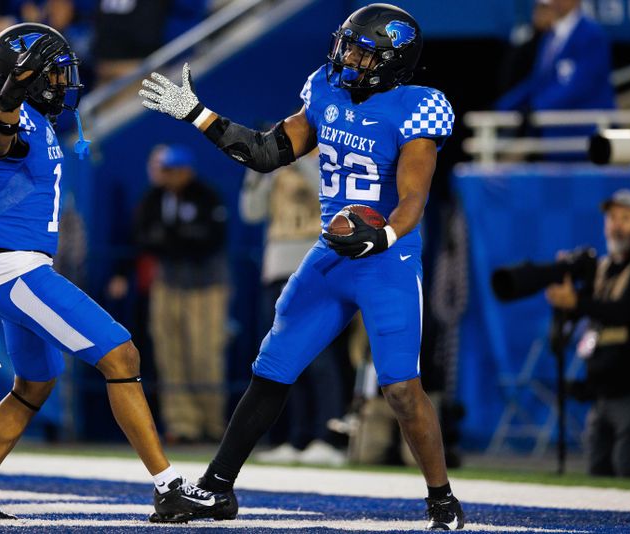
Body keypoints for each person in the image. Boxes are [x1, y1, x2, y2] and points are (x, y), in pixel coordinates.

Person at [139, 3, 464, 529]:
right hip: (331, 256)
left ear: (391, 59)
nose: (346, 56)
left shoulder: (417, 107)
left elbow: (413, 197)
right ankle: (217, 488)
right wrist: (198, 115)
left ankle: (442, 500)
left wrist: (381, 234)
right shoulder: (326, 90)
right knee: (272, 369)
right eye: (347, 44)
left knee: (401, 388)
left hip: (387, 259)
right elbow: (268, 153)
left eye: (361, 49)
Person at [0, 22, 229, 523]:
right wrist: (9, 97)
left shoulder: (36, 117)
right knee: (121, 354)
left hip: (13, 265)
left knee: (34, 386)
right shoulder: (0, 108)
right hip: (15, 268)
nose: (62, 83)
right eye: (51, 74)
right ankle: (168, 488)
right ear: (21, 77)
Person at [241, 153, 347, 466]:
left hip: (315, 267)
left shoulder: (330, 161)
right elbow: (251, 211)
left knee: (320, 358)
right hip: (277, 269)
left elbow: (328, 195)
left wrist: (300, 162)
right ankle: (296, 437)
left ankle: (329, 438)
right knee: (286, 358)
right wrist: (258, 171)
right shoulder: (276, 170)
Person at [134, 144, 229, 445]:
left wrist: (171, 238)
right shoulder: (153, 198)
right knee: (169, 354)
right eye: (166, 170)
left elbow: (210, 239)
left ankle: (211, 423)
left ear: (187, 170)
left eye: (174, 170)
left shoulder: (206, 195)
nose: (169, 176)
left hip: (206, 286)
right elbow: (143, 236)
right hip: (169, 282)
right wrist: (177, 238)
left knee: (204, 354)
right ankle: (181, 423)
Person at [545, 189, 630, 478]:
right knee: (597, 474)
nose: (617, 225)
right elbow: (578, 313)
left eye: (626, 218)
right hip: (601, 393)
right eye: (611, 218)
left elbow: (625, 311)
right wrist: (564, 295)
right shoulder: (604, 268)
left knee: (628, 471)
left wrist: (578, 302)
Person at [495, 0, 615, 139]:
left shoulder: (593, 35)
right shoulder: (550, 36)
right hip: (554, 136)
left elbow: (581, 85)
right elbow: (538, 82)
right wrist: (503, 106)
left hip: (587, 134)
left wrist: (536, 107)